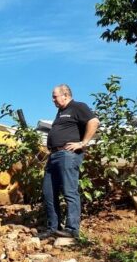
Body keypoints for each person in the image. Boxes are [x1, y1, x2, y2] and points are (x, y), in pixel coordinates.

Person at [38, 84, 99, 240]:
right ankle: (53, 228)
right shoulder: (61, 113)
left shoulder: (78, 106)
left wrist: (82, 143)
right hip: (54, 156)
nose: (52, 100)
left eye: (54, 96)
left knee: (69, 191)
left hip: (68, 155)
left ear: (65, 95)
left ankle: (72, 229)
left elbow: (94, 122)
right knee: (48, 193)